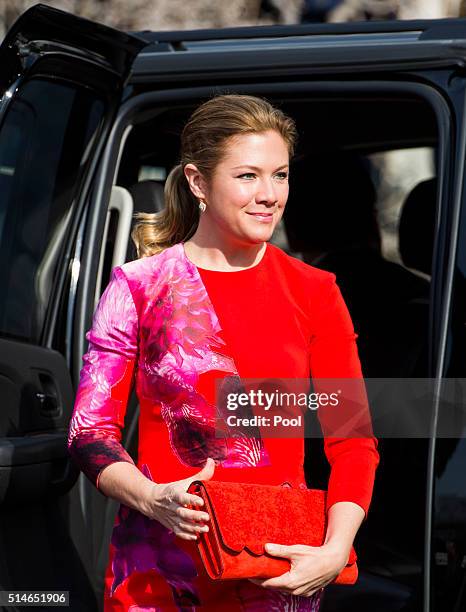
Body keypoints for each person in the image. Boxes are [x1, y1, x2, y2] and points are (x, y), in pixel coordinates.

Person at [67, 94, 380, 611]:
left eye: (279, 175)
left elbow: (352, 440)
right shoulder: (139, 287)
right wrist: (152, 498)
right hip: (160, 576)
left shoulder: (315, 291)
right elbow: (89, 433)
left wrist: (335, 549)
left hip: (277, 570)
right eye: (247, 176)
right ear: (197, 182)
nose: (269, 194)